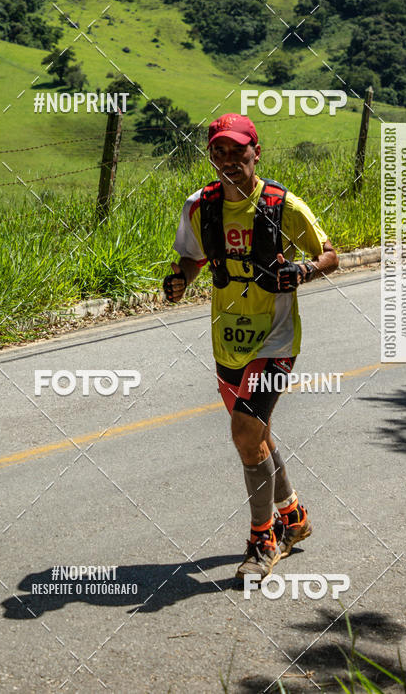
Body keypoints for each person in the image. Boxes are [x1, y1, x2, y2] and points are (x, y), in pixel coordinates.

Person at [163, 113, 339, 581]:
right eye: (217, 152)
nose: (227, 161)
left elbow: (330, 255)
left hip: (277, 339)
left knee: (245, 432)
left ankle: (263, 539)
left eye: (237, 152)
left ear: (255, 153)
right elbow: (193, 256)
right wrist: (182, 280)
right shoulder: (200, 206)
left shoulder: (283, 205)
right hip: (228, 339)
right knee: (255, 436)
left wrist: (303, 271)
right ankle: (293, 515)